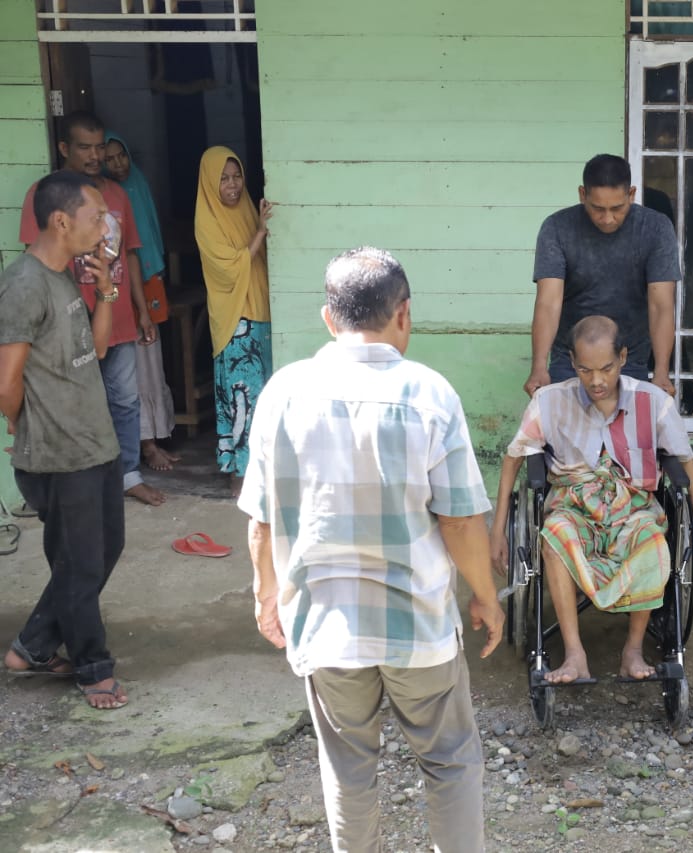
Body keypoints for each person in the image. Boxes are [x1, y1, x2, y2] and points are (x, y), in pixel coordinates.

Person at [240, 247, 501, 853]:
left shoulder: (283, 393)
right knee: (452, 760)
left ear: (329, 319)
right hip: (418, 625)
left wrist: (266, 593)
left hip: (328, 628)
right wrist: (485, 597)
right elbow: (462, 523)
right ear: (403, 315)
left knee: (349, 768)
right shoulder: (430, 395)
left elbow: (260, 518)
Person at [491, 316, 693, 683]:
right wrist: (497, 530)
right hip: (572, 504)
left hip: (633, 505)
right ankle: (575, 654)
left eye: (606, 368)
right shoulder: (550, 401)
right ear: (573, 363)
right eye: (585, 369)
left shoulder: (653, 402)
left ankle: (633, 650)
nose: (596, 380)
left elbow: (684, 459)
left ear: (623, 358)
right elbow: (514, 457)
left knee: (653, 540)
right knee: (555, 536)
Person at [0, 171, 129, 709]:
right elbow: (7, 380)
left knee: (103, 550)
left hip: (93, 441)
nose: (104, 225)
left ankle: (30, 647)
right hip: (59, 452)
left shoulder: (61, 278)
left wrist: (104, 292)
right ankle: (92, 666)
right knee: (80, 564)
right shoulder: (25, 282)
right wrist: (21, 425)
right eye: (96, 215)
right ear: (61, 220)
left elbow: (95, 350)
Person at [18, 111, 165, 506]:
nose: (95, 154)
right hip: (68, 324)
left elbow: (130, 254)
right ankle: (87, 484)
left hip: (115, 316)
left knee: (125, 400)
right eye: (85, 146)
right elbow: (36, 259)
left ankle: (128, 475)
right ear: (65, 148)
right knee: (78, 402)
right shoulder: (45, 196)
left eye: (100, 146)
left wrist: (142, 310)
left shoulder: (115, 195)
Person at [525, 154, 680, 397]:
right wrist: (538, 367)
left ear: (631, 194)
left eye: (617, 208)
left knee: (624, 433)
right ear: (582, 194)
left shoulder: (656, 229)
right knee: (566, 433)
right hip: (572, 361)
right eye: (597, 208)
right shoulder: (557, 228)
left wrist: (661, 371)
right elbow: (548, 302)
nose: (607, 218)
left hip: (629, 359)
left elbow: (661, 305)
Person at [194, 146, 273, 496]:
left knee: (263, 396)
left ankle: (264, 467)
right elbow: (228, 269)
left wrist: (258, 228)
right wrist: (259, 233)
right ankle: (239, 473)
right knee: (241, 399)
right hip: (235, 322)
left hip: (260, 314)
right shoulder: (206, 221)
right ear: (211, 183)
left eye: (236, 176)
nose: (232, 185)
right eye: (223, 179)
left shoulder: (245, 211)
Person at [104, 131, 179, 472]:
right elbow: (128, 249)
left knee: (151, 359)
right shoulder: (106, 198)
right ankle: (145, 444)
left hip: (150, 281)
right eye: (110, 157)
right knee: (132, 366)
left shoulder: (137, 183)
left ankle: (155, 436)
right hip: (120, 286)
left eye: (121, 155)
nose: (117, 163)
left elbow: (149, 235)